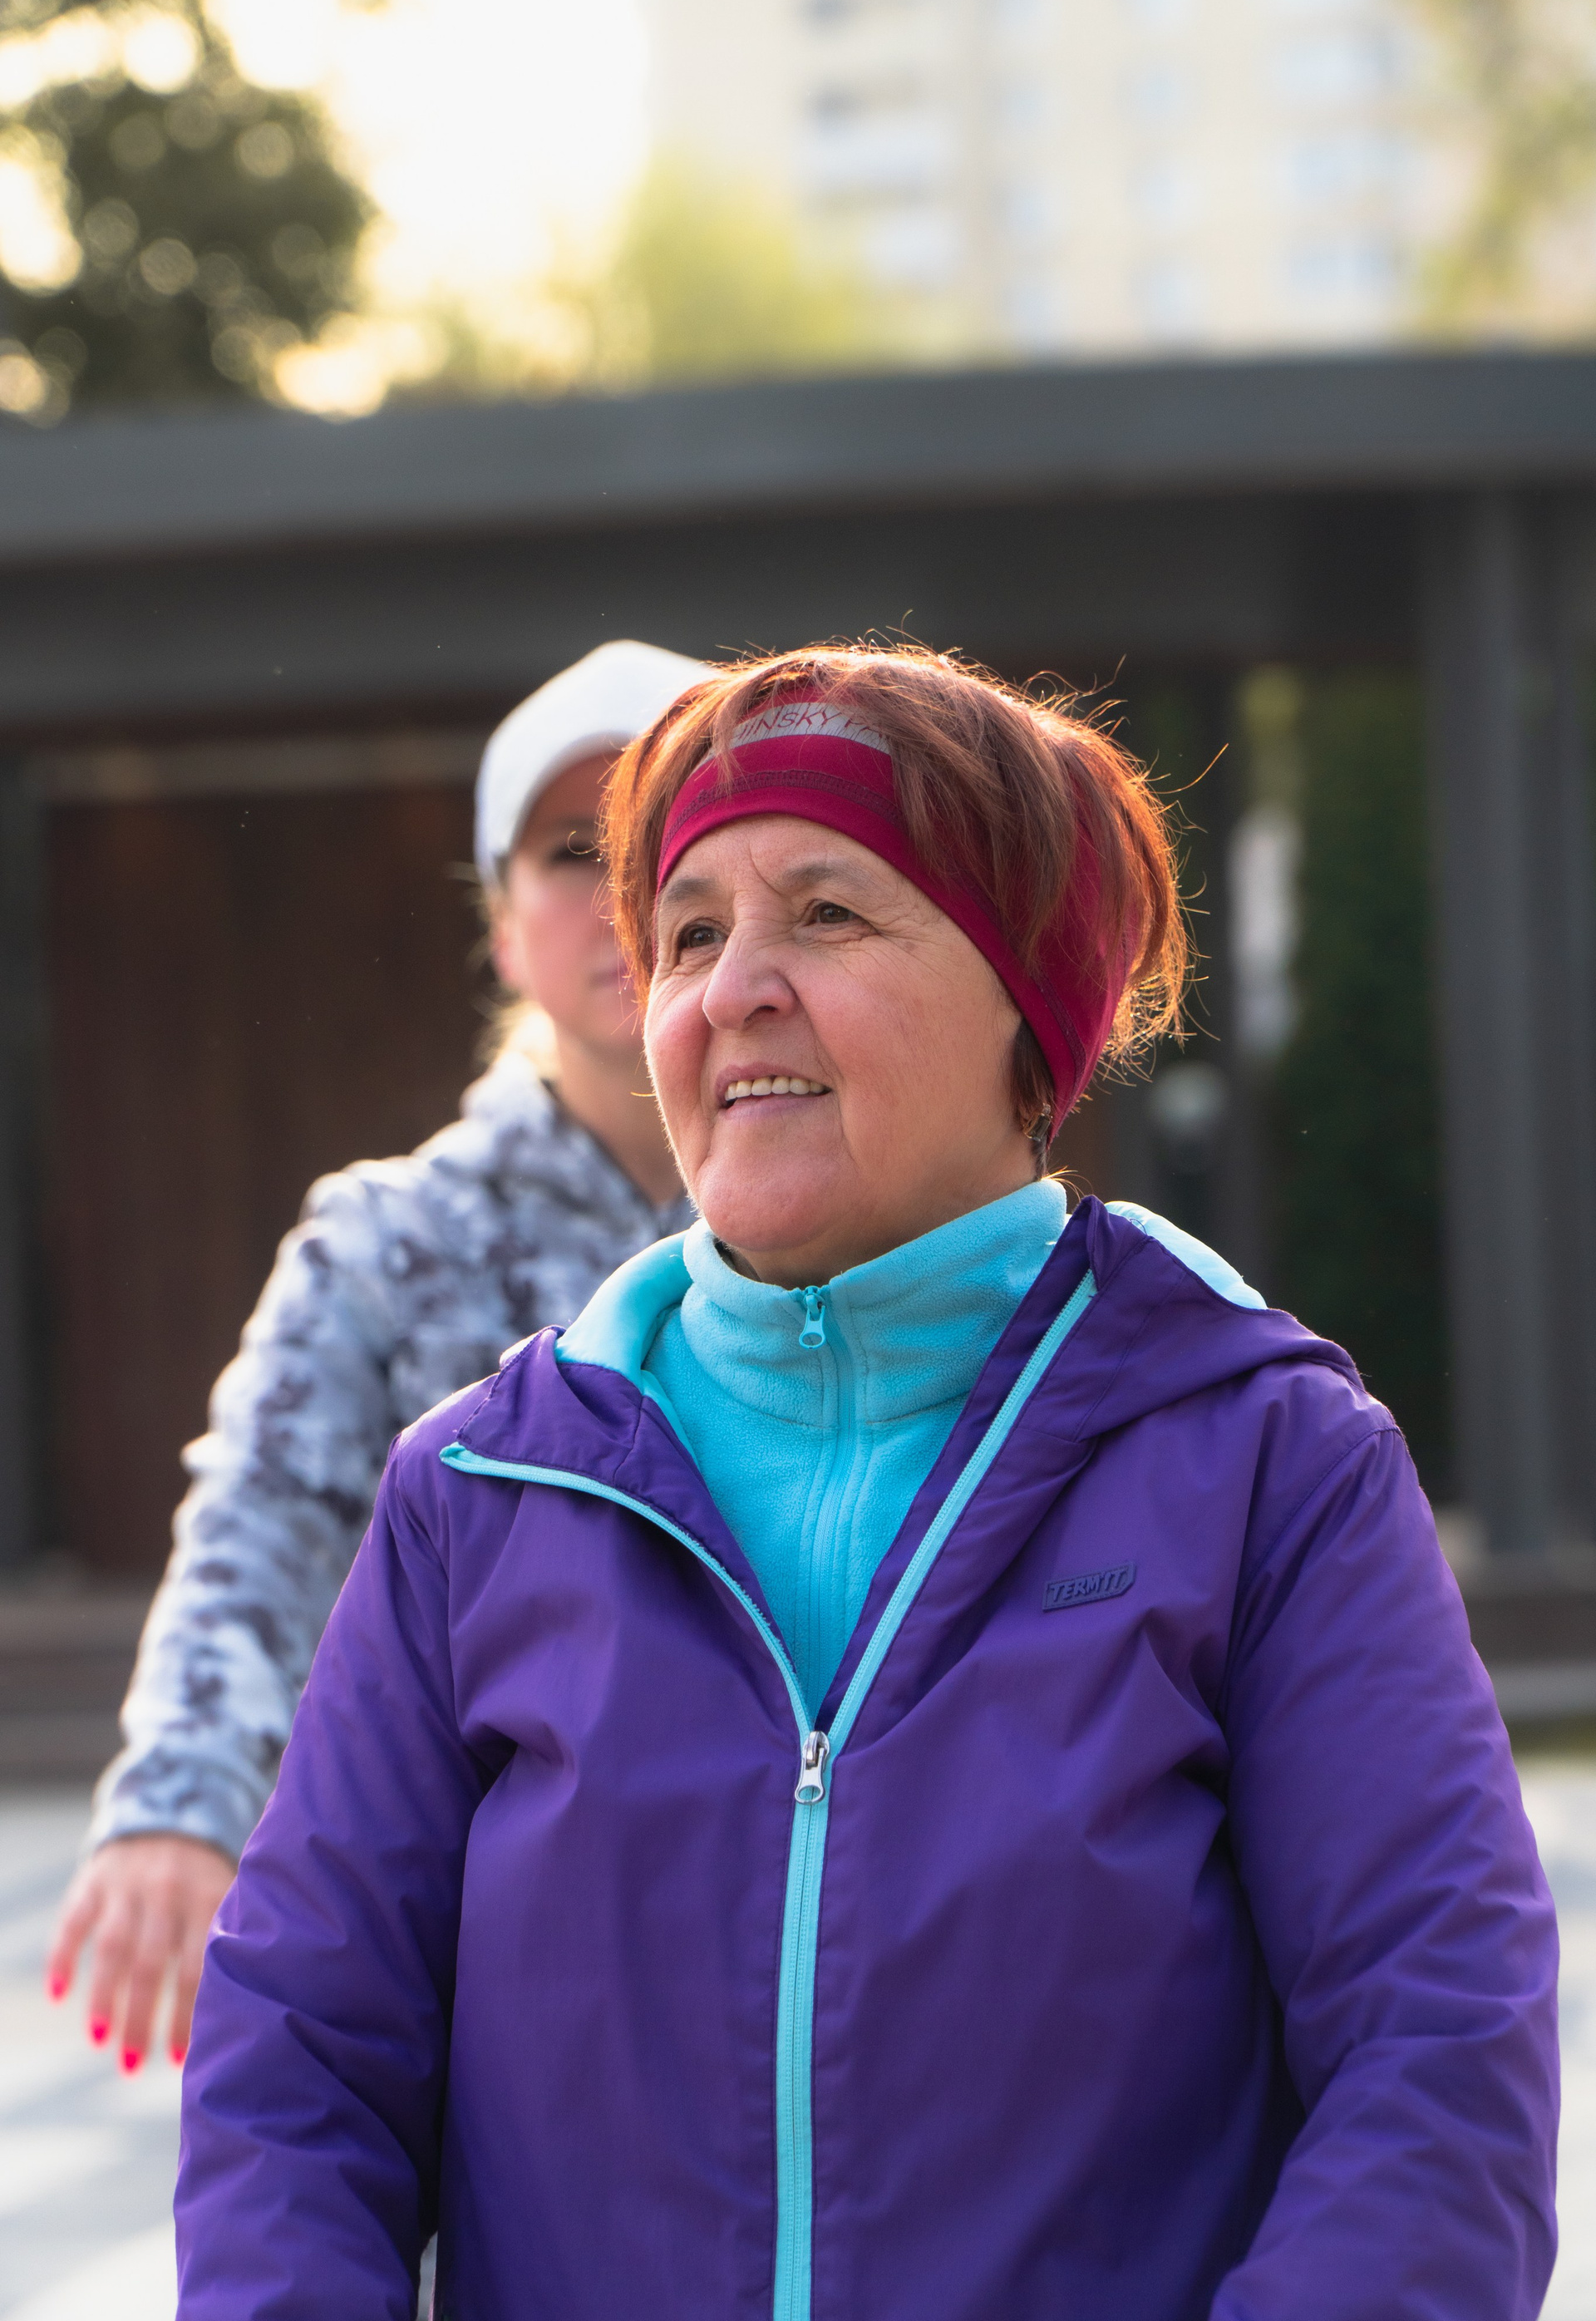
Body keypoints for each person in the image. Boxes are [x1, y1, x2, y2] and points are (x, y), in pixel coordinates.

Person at [176, 645, 1558, 2321]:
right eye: (690, 932)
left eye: (827, 913)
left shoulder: (1268, 1459)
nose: (730, 990)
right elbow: (295, 2073)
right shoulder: (480, 1489)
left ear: (1024, 1000)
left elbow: (1437, 2059)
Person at [46, 638, 708, 2072]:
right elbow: (261, 1517)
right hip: (489, 1980)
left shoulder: (856, 1236)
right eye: (570, 851)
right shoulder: (388, 1240)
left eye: (664, 841)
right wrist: (182, 1798)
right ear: (502, 928)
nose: (621, 893)